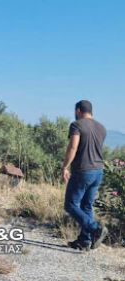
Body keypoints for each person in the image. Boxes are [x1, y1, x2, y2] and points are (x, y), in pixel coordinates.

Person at [62, 100, 109, 251]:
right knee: (86, 206)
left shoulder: (77, 125)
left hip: (83, 171)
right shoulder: (101, 128)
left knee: (70, 204)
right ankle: (85, 241)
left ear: (78, 111)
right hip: (98, 171)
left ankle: (95, 228)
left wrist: (65, 167)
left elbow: (73, 146)